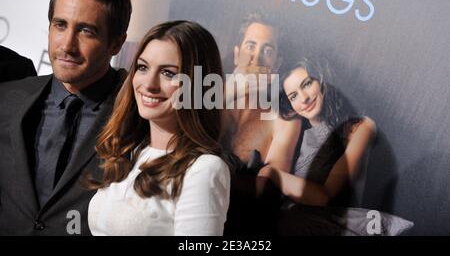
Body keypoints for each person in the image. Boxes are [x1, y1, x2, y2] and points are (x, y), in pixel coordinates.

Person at [0, 0, 131, 235]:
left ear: (116, 43)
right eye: (60, 25)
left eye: (86, 31)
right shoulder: (7, 97)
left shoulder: (138, 115)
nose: (67, 45)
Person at [87, 20, 231, 236]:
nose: (149, 84)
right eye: (143, 67)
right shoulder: (130, 152)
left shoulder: (204, 170)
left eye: (169, 73)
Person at [257, 57, 377, 207]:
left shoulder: (361, 127)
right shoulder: (298, 132)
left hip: (333, 221)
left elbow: (325, 197)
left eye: (307, 84)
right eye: (293, 96)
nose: (304, 99)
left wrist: (272, 174)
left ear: (321, 80)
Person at [222, 13, 301, 235]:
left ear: (277, 64)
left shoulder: (284, 121)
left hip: (239, 223)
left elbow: (268, 190)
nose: (255, 59)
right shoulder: (208, 97)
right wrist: (231, 92)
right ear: (237, 55)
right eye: (250, 46)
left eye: (267, 51)